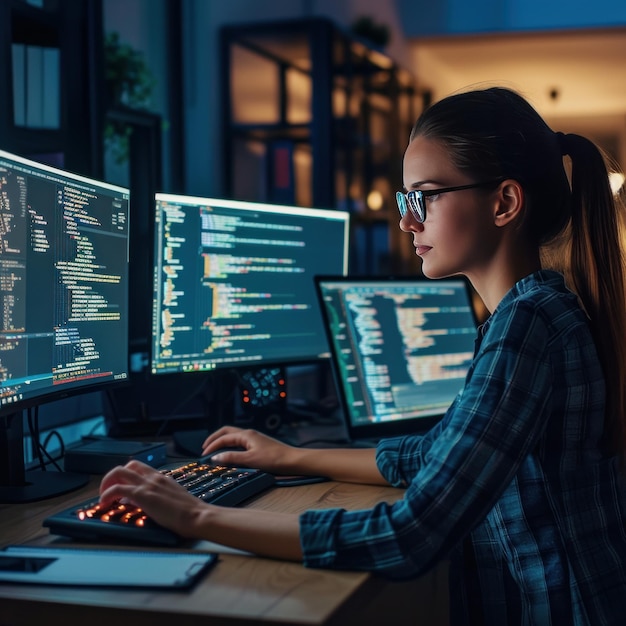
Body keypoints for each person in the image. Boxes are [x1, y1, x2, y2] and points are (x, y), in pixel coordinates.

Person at [100, 86, 626, 624]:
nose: (407, 222)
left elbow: (412, 533)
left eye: (423, 196)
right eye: (405, 200)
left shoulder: (527, 325)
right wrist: (288, 456)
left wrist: (195, 515)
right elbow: (435, 453)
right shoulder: (533, 311)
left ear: (504, 203)